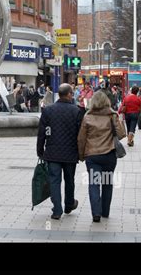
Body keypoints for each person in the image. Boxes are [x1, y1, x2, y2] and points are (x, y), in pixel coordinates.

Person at [78, 91, 125, 222]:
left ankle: (96, 213)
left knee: (94, 183)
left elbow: (81, 138)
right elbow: (121, 134)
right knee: (107, 183)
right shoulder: (112, 115)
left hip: (92, 156)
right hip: (109, 155)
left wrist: (81, 155)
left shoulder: (87, 117)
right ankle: (105, 211)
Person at [36, 84, 82, 220]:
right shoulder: (77, 111)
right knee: (69, 180)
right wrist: (81, 152)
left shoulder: (48, 111)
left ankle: (57, 210)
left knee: (54, 181)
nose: (72, 95)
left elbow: (41, 133)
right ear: (68, 94)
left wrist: (40, 150)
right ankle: (69, 204)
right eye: (72, 93)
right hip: (70, 153)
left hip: (52, 152)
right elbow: (80, 134)